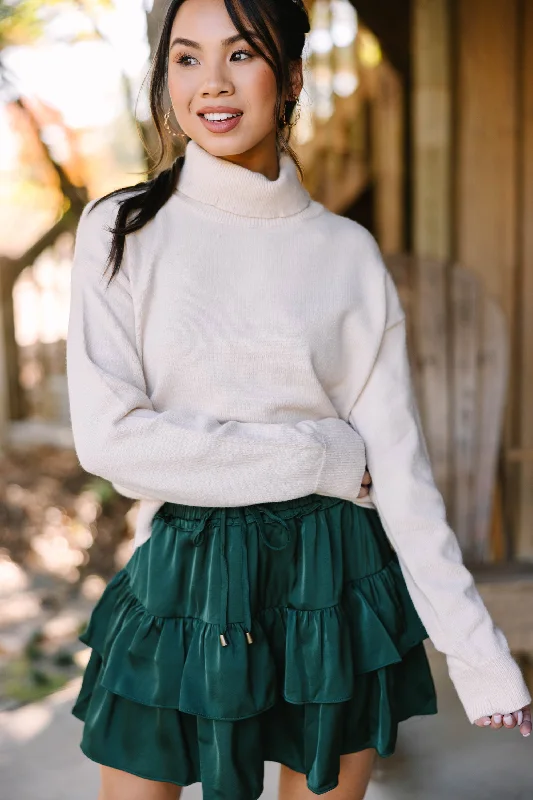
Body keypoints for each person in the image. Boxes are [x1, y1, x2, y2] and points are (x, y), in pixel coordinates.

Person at [65, 0, 532, 798]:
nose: (210, 83)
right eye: (185, 58)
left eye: (240, 55)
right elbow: (115, 445)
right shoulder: (120, 229)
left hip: (334, 581)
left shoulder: (344, 253)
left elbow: (400, 473)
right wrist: (319, 455)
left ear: (289, 79)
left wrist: (479, 656)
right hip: (186, 575)